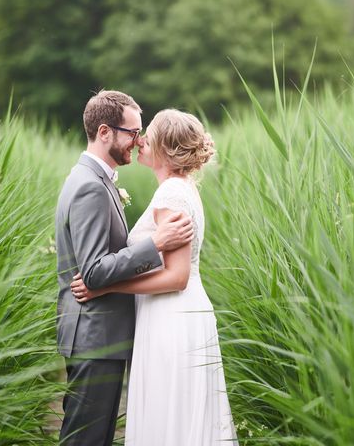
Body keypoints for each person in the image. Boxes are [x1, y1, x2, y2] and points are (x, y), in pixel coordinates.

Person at [71, 109, 239, 445]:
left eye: (149, 134)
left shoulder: (172, 194)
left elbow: (177, 276)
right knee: (180, 412)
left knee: (169, 414)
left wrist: (105, 286)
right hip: (179, 312)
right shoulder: (182, 188)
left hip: (171, 315)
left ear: (167, 148)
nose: (141, 140)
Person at [55, 91, 194, 445]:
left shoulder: (95, 180)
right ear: (105, 132)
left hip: (100, 334)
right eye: (132, 132)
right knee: (85, 439)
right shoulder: (90, 186)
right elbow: (94, 272)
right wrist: (156, 244)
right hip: (95, 334)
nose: (139, 140)